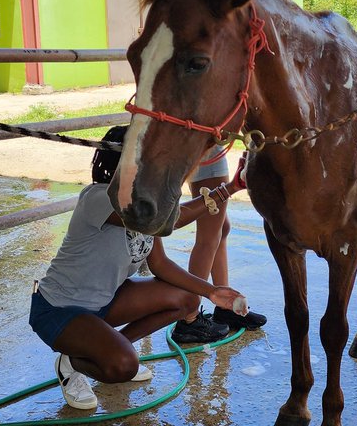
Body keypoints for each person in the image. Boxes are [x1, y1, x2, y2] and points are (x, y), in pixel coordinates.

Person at [30, 126, 251, 411]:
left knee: (186, 299)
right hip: (59, 310)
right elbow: (167, 219)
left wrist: (211, 292)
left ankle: (104, 348)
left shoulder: (145, 210)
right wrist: (223, 190)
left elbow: (160, 265)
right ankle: (71, 362)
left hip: (104, 303)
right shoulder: (98, 199)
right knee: (123, 366)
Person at [172, 143, 268, 345]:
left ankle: (225, 308)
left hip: (198, 145)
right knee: (210, 234)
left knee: (221, 228)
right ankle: (189, 318)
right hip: (206, 147)